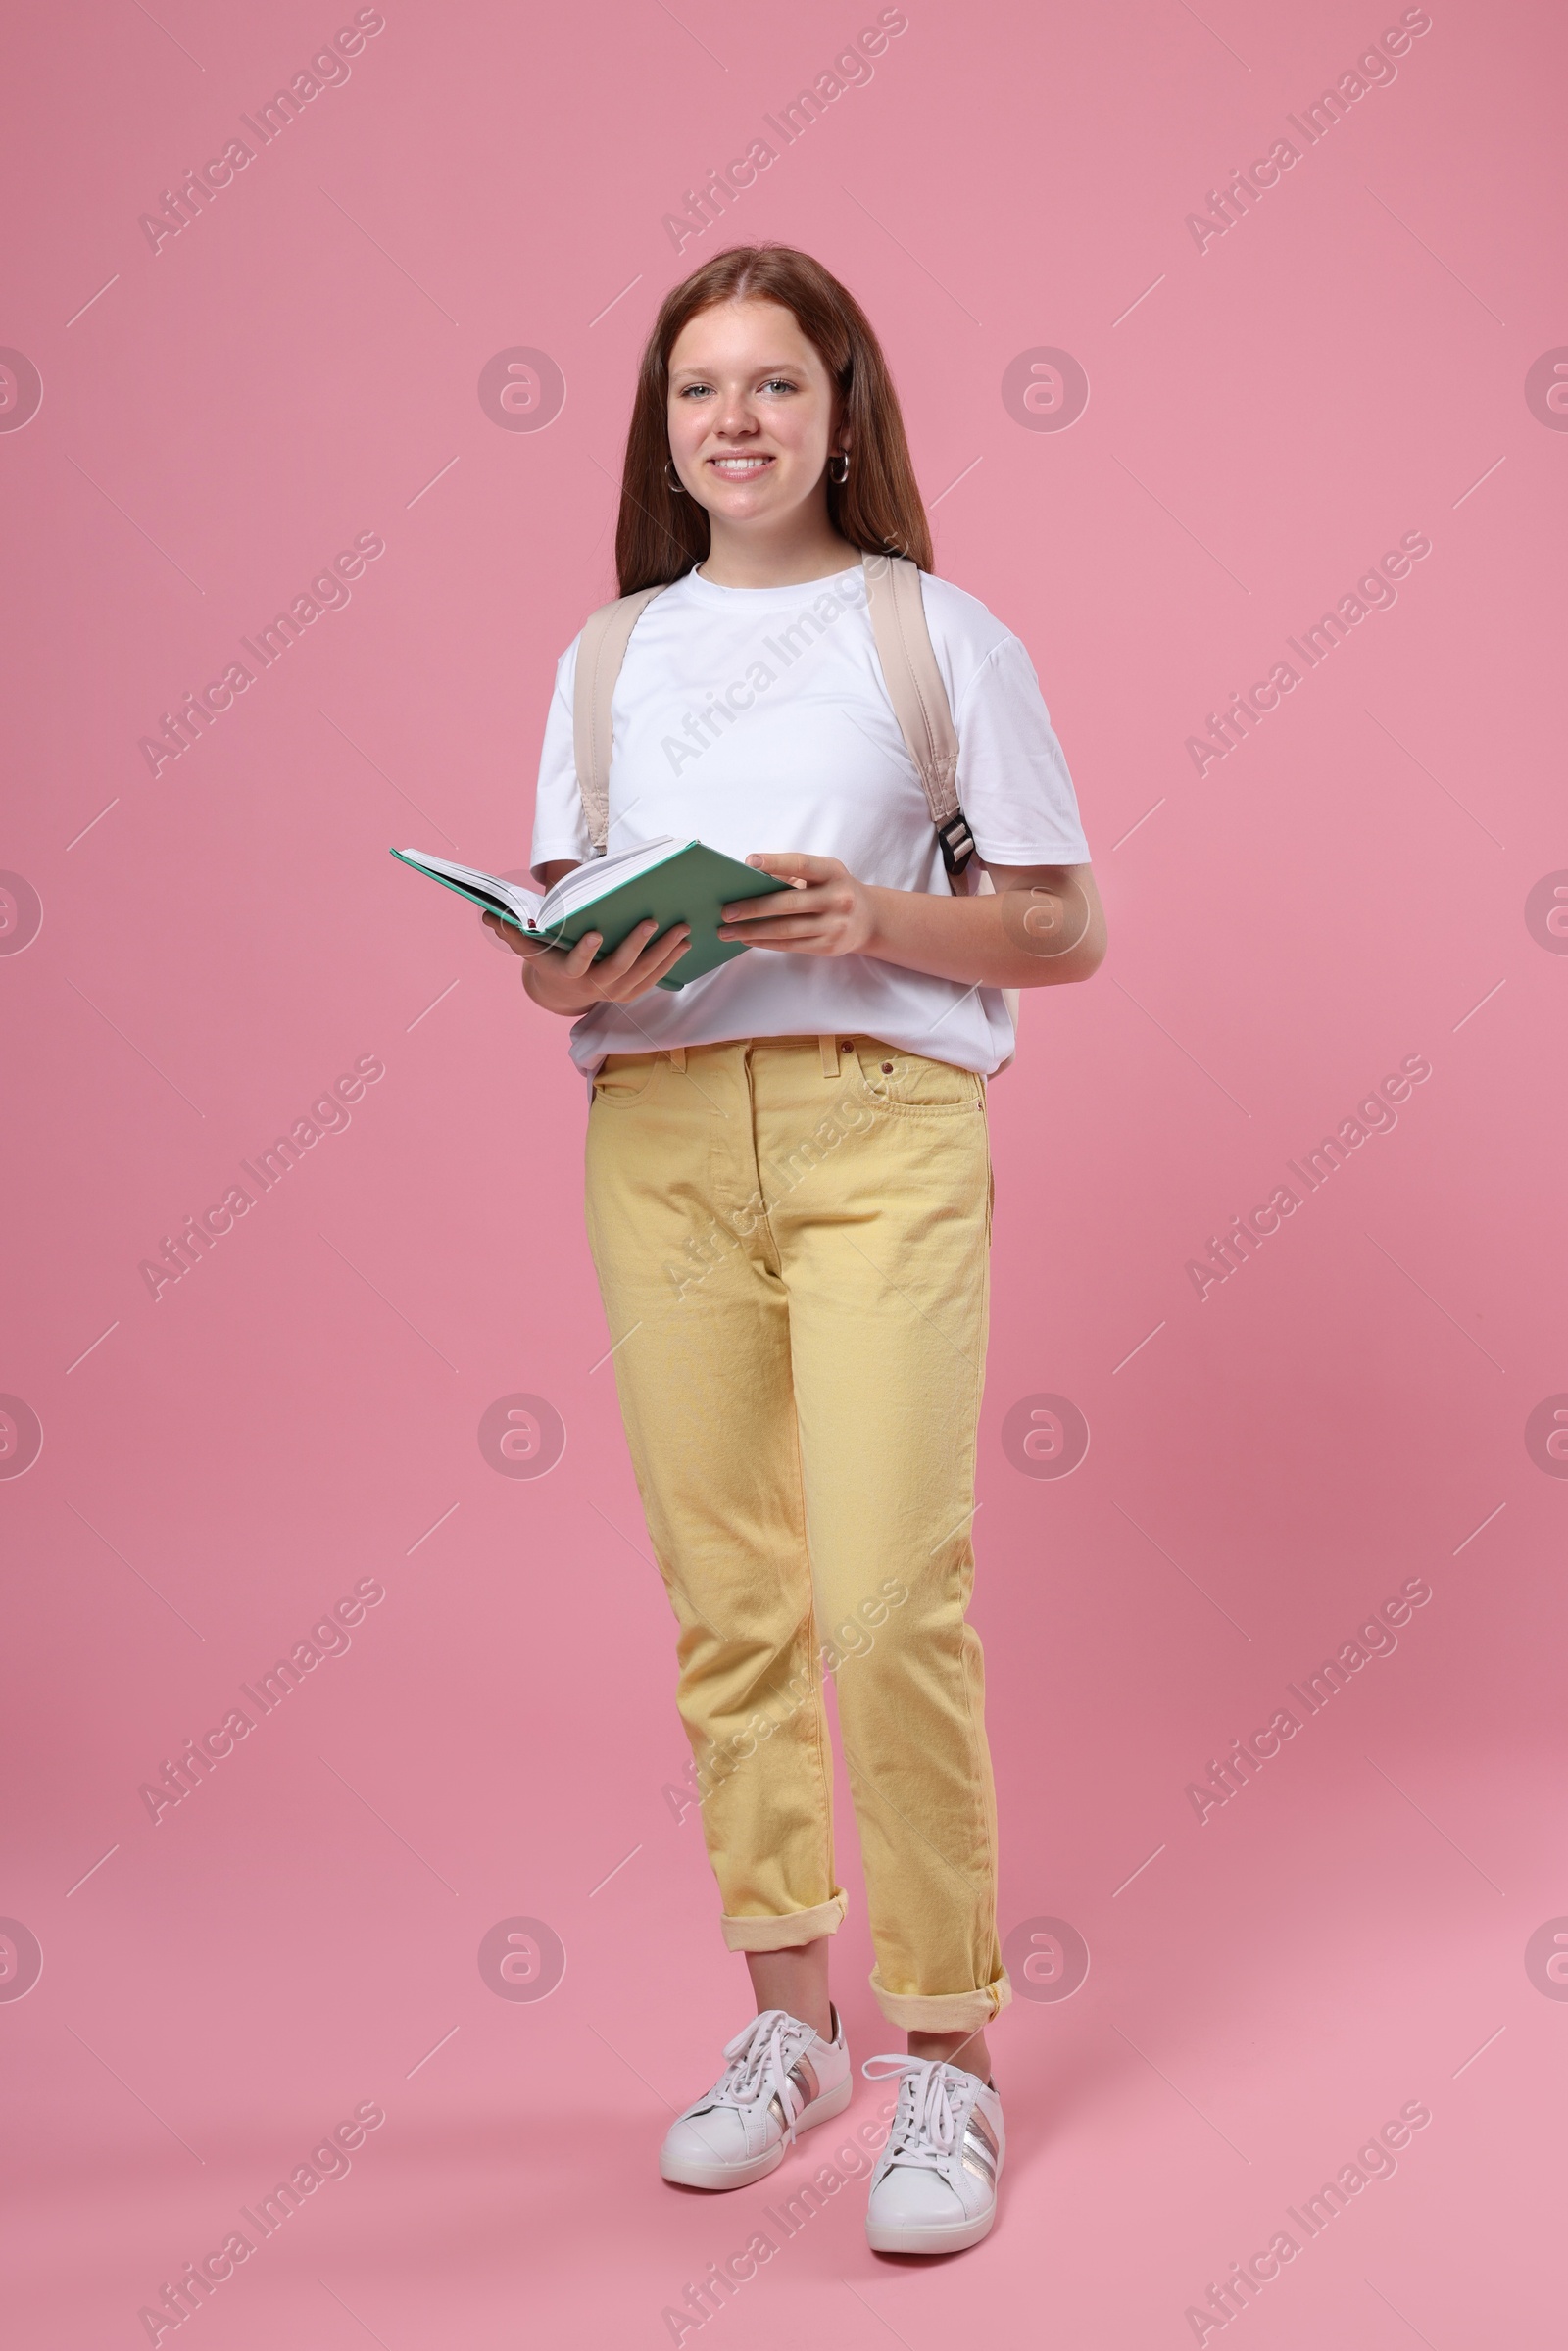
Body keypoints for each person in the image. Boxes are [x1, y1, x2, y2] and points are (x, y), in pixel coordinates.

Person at [488, 243, 1105, 2256]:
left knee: (882, 1603)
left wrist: (865, 920)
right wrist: (555, 958)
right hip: (658, 1137)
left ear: (843, 408)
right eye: (696, 392)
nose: (732, 421)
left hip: (879, 1134)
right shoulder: (607, 657)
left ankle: (948, 2061)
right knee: (726, 1603)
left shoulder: (936, 637)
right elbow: (554, 961)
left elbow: (1060, 924)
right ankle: (789, 2030)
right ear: (661, 429)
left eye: (771, 383)